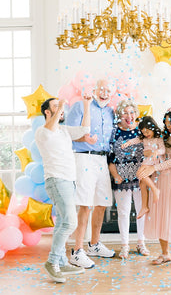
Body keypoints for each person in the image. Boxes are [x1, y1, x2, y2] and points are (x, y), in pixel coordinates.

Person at [35, 96, 92, 283]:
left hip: (69, 181)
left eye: (61, 107)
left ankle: (61, 261)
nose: (61, 110)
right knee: (70, 223)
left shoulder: (64, 131)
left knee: (61, 223)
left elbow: (85, 129)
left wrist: (86, 105)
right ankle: (52, 262)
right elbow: (50, 128)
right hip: (57, 181)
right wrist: (61, 105)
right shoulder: (43, 132)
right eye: (56, 107)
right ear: (47, 112)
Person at [66, 79, 115, 269]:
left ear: (112, 93)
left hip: (102, 160)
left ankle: (94, 245)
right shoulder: (80, 106)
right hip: (83, 157)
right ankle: (77, 251)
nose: (104, 93)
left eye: (108, 90)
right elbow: (69, 134)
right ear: (95, 90)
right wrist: (84, 137)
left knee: (102, 203)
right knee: (85, 204)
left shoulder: (111, 112)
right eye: (101, 89)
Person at [137, 106, 171, 267]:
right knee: (161, 212)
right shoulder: (163, 136)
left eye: (170, 122)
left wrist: (154, 168)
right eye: (166, 122)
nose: (168, 126)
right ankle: (165, 253)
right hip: (161, 177)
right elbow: (152, 148)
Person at [108, 100, 150, 259]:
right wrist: (115, 175)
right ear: (119, 115)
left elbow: (152, 150)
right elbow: (110, 158)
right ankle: (124, 245)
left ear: (136, 114)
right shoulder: (114, 132)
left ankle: (141, 243)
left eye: (131, 112)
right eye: (125, 112)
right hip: (121, 178)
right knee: (123, 213)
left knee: (142, 210)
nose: (129, 116)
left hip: (141, 177)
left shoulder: (142, 131)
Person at [121, 116, 165, 219]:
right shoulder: (144, 138)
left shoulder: (158, 138)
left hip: (153, 160)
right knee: (141, 183)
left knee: (139, 173)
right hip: (147, 160)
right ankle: (144, 206)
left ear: (153, 127)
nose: (146, 134)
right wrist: (127, 143)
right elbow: (135, 140)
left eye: (148, 131)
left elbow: (163, 149)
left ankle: (154, 190)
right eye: (144, 132)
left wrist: (157, 152)